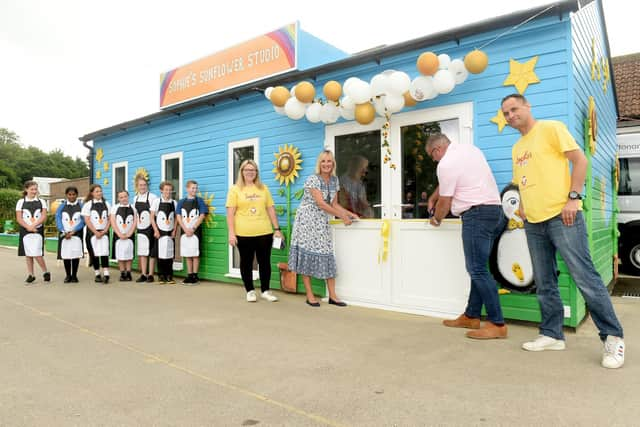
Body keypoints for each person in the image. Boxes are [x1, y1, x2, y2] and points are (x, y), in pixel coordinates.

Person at [501, 93, 625, 368]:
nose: (510, 116)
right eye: (506, 113)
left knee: (585, 277)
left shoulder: (551, 129)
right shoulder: (518, 147)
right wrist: (521, 203)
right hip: (533, 222)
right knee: (545, 282)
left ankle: (613, 338)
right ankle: (552, 334)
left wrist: (573, 198)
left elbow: (580, 161)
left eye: (514, 109)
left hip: (562, 215)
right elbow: (522, 181)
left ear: (527, 106)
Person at [426, 133, 507, 339]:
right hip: (495, 212)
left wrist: (436, 219)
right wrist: (434, 195)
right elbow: (452, 182)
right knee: (479, 268)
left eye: (432, 156)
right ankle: (471, 315)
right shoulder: (470, 150)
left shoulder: (445, 164)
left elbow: (445, 203)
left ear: (437, 150)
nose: (434, 160)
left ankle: (497, 324)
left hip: (476, 214)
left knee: (477, 270)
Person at [288, 150, 358, 307]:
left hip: (322, 221)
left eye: (329, 161)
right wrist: (341, 217)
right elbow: (320, 203)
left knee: (327, 253)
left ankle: (333, 296)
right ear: (319, 164)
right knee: (307, 254)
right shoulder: (313, 179)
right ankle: (310, 295)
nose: (326, 164)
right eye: (323, 161)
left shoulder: (334, 181)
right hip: (306, 221)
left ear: (333, 163)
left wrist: (350, 213)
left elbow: (334, 204)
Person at [226, 160, 283, 302]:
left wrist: (277, 229)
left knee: (264, 262)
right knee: (246, 262)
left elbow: (270, 209)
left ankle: (266, 291)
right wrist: (231, 233)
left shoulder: (264, 188)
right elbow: (230, 213)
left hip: (264, 232)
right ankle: (250, 291)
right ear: (242, 172)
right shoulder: (235, 189)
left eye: (253, 170)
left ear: (256, 172)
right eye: (247, 170)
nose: (250, 172)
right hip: (243, 234)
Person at [15, 180, 50, 284]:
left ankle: (45, 272)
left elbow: (43, 216)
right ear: (26, 190)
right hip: (25, 230)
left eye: (35, 189)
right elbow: (19, 218)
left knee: (37, 252)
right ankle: (31, 274)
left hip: (37, 230)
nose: (34, 191)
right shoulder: (20, 202)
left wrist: (33, 226)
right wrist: (28, 227)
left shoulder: (42, 201)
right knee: (28, 253)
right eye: (32, 189)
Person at [176, 180, 208, 285]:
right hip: (184, 231)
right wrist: (185, 229)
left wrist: (193, 228)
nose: (194, 190)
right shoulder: (181, 202)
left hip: (195, 231)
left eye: (196, 188)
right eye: (192, 188)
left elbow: (202, 215)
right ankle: (189, 274)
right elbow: (179, 216)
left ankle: (195, 275)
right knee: (187, 253)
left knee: (195, 253)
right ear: (187, 189)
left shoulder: (199, 201)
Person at [82, 184, 111, 284]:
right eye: (97, 191)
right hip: (92, 232)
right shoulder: (88, 205)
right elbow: (87, 220)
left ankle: (106, 273)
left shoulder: (106, 204)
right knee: (94, 253)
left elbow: (109, 219)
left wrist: (105, 230)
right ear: (92, 193)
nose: (99, 193)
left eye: (100, 191)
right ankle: (97, 273)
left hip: (104, 232)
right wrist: (95, 232)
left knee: (104, 252)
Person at [55, 186, 84, 283]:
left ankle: (74, 275)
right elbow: (58, 219)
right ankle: (68, 275)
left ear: (77, 195)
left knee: (75, 254)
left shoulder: (81, 206)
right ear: (66, 195)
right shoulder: (61, 206)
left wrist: (74, 231)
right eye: (69, 194)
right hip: (65, 234)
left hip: (76, 234)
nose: (71, 196)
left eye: (73, 194)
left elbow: (83, 220)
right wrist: (63, 231)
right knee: (66, 254)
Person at [151, 181, 177, 284]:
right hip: (160, 231)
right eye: (166, 190)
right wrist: (156, 230)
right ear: (161, 190)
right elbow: (152, 217)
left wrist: (175, 230)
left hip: (170, 231)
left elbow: (176, 218)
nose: (168, 192)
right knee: (160, 254)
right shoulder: (157, 202)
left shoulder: (174, 203)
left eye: (170, 190)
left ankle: (169, 275)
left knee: (170, 254)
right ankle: (161, 276)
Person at [133, 174, 159, 283]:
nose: (143, 187)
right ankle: (143, 274)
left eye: (144, 185)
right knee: (142, 251)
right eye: (140, 185)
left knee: (152, 252)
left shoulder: (153, 197)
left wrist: (156, 229)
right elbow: (135, 215)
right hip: (140, 228)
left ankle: (151, 275)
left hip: (151, 228)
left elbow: (155, 214)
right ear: (137, 186)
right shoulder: (135, 198)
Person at [111, 189, 137, 282]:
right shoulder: (115, 208)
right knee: (120, 254)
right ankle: (122, 273)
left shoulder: (133, 208)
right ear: (118, 199)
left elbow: (135, 221)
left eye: (125, 196)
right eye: (121, 197)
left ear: (128, 197)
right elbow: (113, 222)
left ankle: (129, 272)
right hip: (119, 235)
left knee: (129, 254)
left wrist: (130, 233)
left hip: (129, 235)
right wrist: (119, 234)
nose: (123, 199)